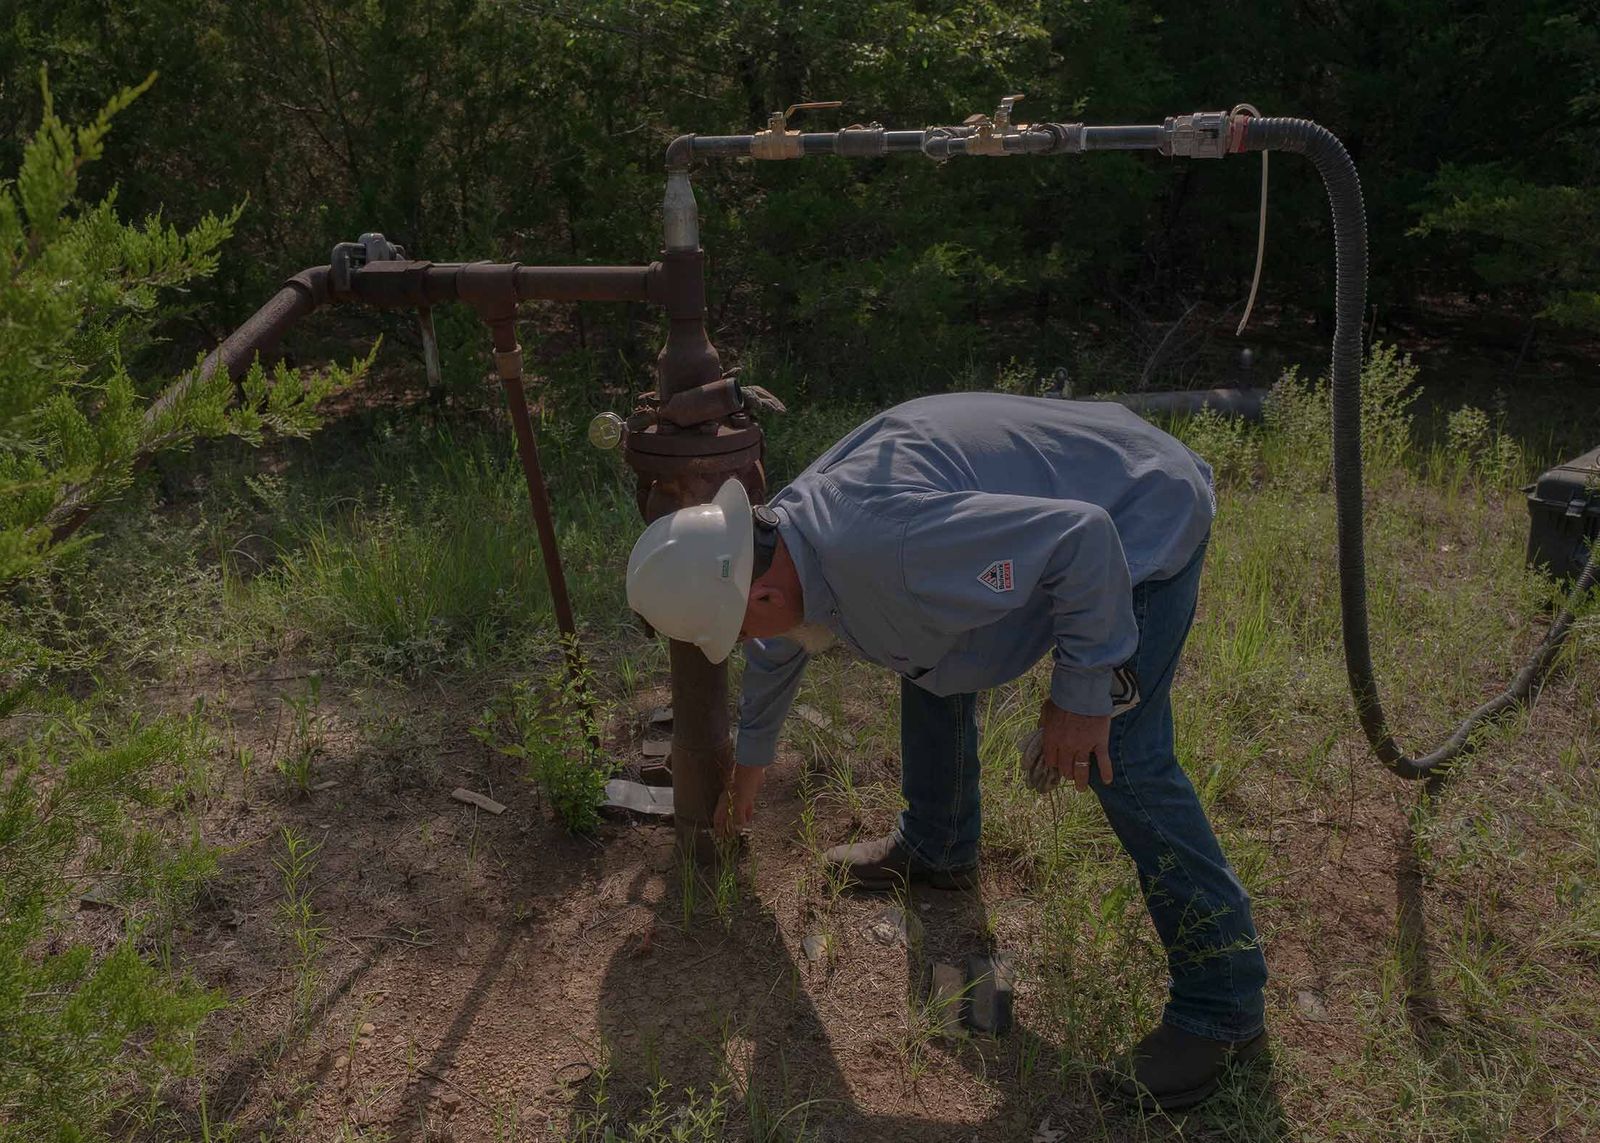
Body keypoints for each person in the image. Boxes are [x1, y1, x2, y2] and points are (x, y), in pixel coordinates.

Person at [625, 392, 1268, 1110]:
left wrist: (1082, 694)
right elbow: (780, 642)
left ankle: (1223, 1006)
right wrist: (749, 769)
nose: (747, 645)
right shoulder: (782, 538)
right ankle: (939, 842)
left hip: (1137, 517)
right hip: (1070, 502)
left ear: (762, 591)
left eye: (737, 632)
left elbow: (1084, 542)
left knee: (1126, 758)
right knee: (921, 632)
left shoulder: (890, 548)